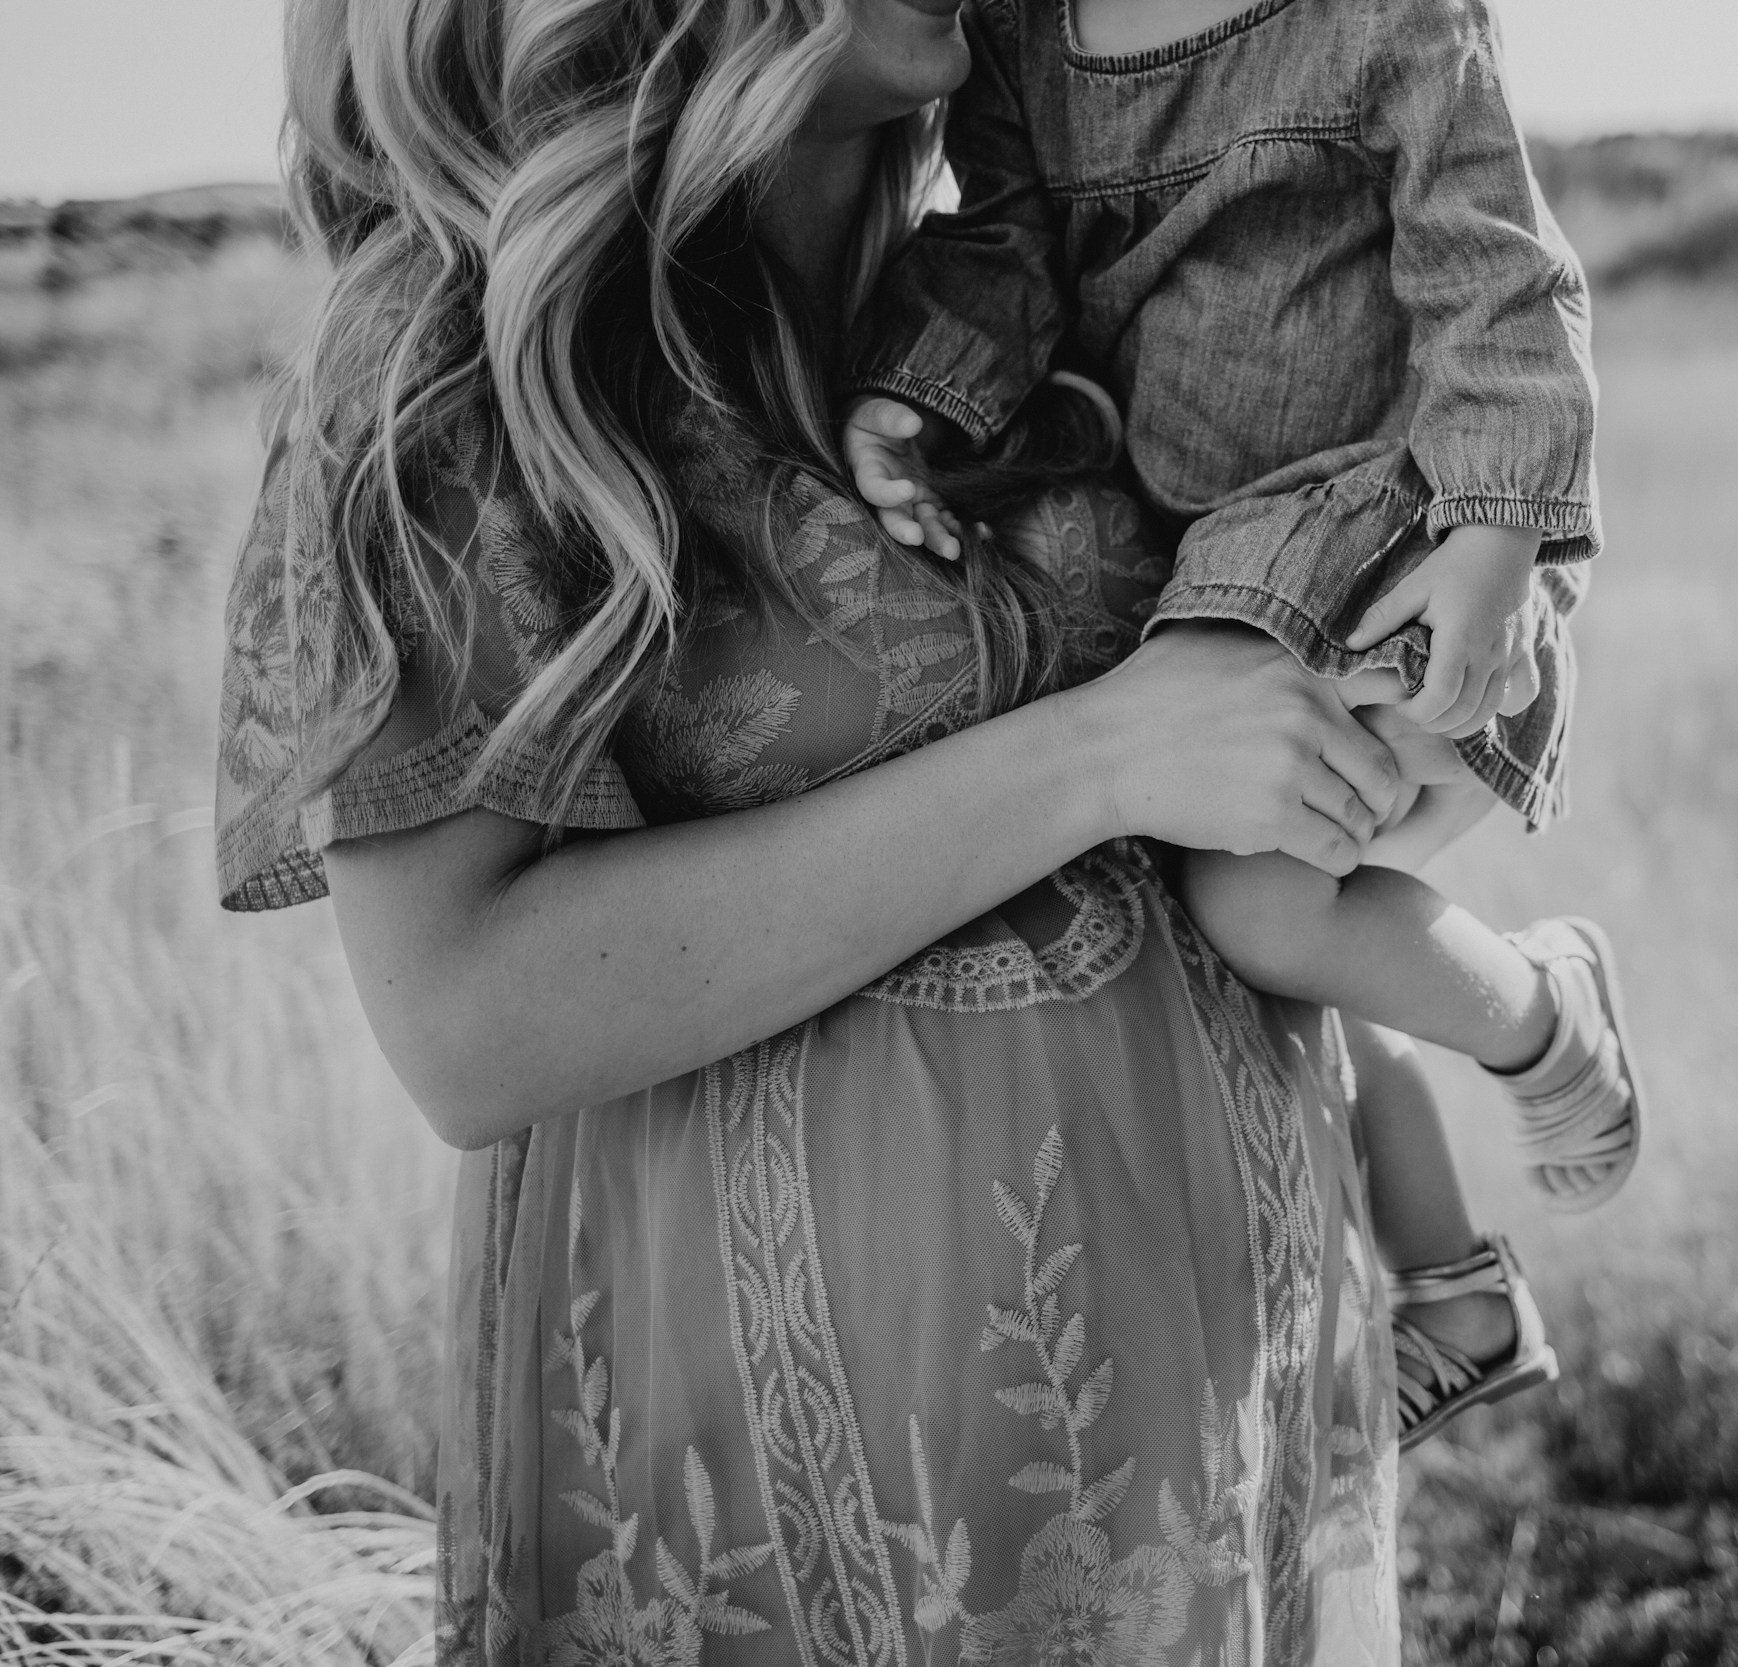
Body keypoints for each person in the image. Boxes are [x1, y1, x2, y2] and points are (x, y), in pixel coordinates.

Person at [216, 0, 1428, 1658]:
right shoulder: (455, 363)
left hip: (1224, 1420)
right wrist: (1093, 761)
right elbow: (464, 1017)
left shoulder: (1027, 287)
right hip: (794, 1499)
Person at [839, 0, 1644, 1446]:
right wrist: (918, 394)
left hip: (1390, 534)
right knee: (1256, 958)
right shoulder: (1024, 34)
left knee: (1263, 912)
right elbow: (1003, 245)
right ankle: (1458, 1296)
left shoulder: (1383, 16)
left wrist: (1498, 528)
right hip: (1198, 570)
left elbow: (1499, 272)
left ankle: (1542, 1019)